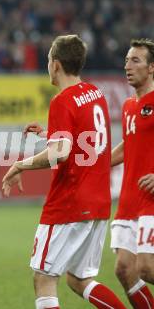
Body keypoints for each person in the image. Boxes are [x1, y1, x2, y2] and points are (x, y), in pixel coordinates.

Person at [2, 35, 125, 309]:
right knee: (79, 279)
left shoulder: (62, 101)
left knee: (44, 278)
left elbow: (62, 152)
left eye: (47, 60)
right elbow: (84, 139)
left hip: (70, 203)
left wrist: (21, 164)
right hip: (98, 202)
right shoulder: (95, 94)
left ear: (55, 65)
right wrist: (49, 134)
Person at [109, 38, 154, 308]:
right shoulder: (128, 107)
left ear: (151, 68)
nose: (128, 66)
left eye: (136, 60)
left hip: (150, 200)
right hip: (128, 201)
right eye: (127, 60)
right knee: (124, 270)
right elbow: (129, 144)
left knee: (146, 269)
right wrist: (94, 165)